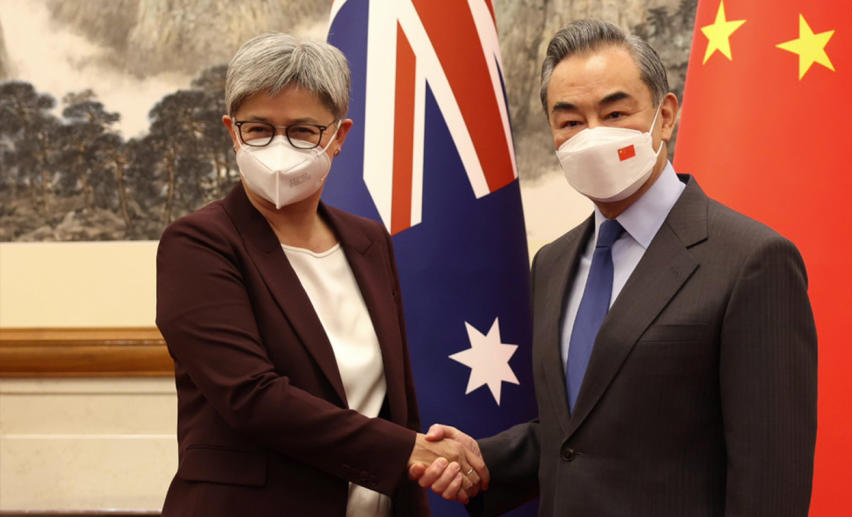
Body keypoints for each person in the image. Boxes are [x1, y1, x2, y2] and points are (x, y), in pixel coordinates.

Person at [412, 19, 817, 516]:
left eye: (615, 112)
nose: (592, 136)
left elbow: (769, 478)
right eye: (570, 122)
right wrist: (483, 459)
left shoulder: (751, 261)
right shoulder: (554, 263)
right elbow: (581, 432)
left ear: (665, 116)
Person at [156, 33, 486, 517]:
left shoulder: (368, 241)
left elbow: (393, 403)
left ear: (339, 137)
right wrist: (408, 450)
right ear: (232, 131)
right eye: (259, 129)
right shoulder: (199, 243)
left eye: (303, 131)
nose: (279, 147)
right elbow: (252, 398)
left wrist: (417, 462)